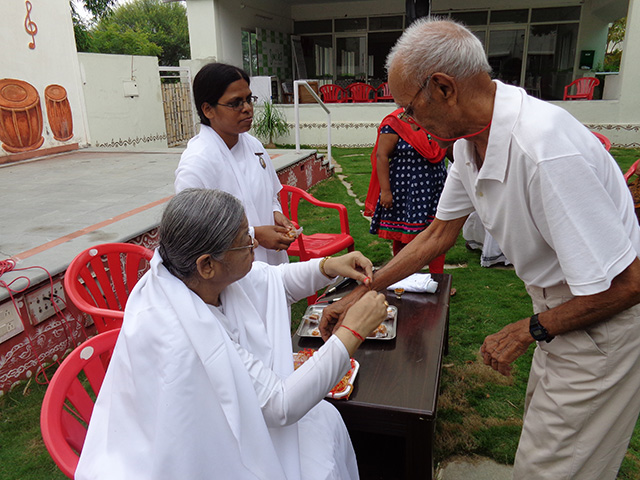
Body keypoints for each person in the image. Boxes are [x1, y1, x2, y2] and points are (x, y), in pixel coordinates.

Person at [320, 18, 640, 480]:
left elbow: (629, 285)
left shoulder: (544, 149)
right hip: (562, 313)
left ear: (444, 88)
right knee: (547, 448)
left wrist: (525, 330)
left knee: (550, 470)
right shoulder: (470, 143)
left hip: (601, 324)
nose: (407, 121)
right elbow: (435, 235)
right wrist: (358, 294)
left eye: (408, 108)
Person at [75, 188, 388, 480]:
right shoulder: (181, 336)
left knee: (326, 420)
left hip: (244, 416)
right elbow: (280, 405)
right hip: (205, 454)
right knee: (321, 452)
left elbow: (272, 281)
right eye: (244, 240)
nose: (254, 243)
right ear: (207, 265)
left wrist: (329, 266)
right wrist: (351, 333)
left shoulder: (194, 276)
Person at [175, 62, 294, 265]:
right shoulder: (197, 163)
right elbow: (195, 231)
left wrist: (276, 214)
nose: (247, 109)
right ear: (208, 109)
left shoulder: (254, 145)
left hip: (270, 263)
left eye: (249, 99)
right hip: (229, 272)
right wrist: (254, 234)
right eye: (235, 103)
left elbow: (270, 194)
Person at [365, 107, 447, 273]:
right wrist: (386, 191)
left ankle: (438, 281)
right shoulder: (395, 123)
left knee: (437, 236)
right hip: (405, 191)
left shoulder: (437, 120)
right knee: (403, 237)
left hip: (435, 189)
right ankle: (404, 279)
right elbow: (382, 156)